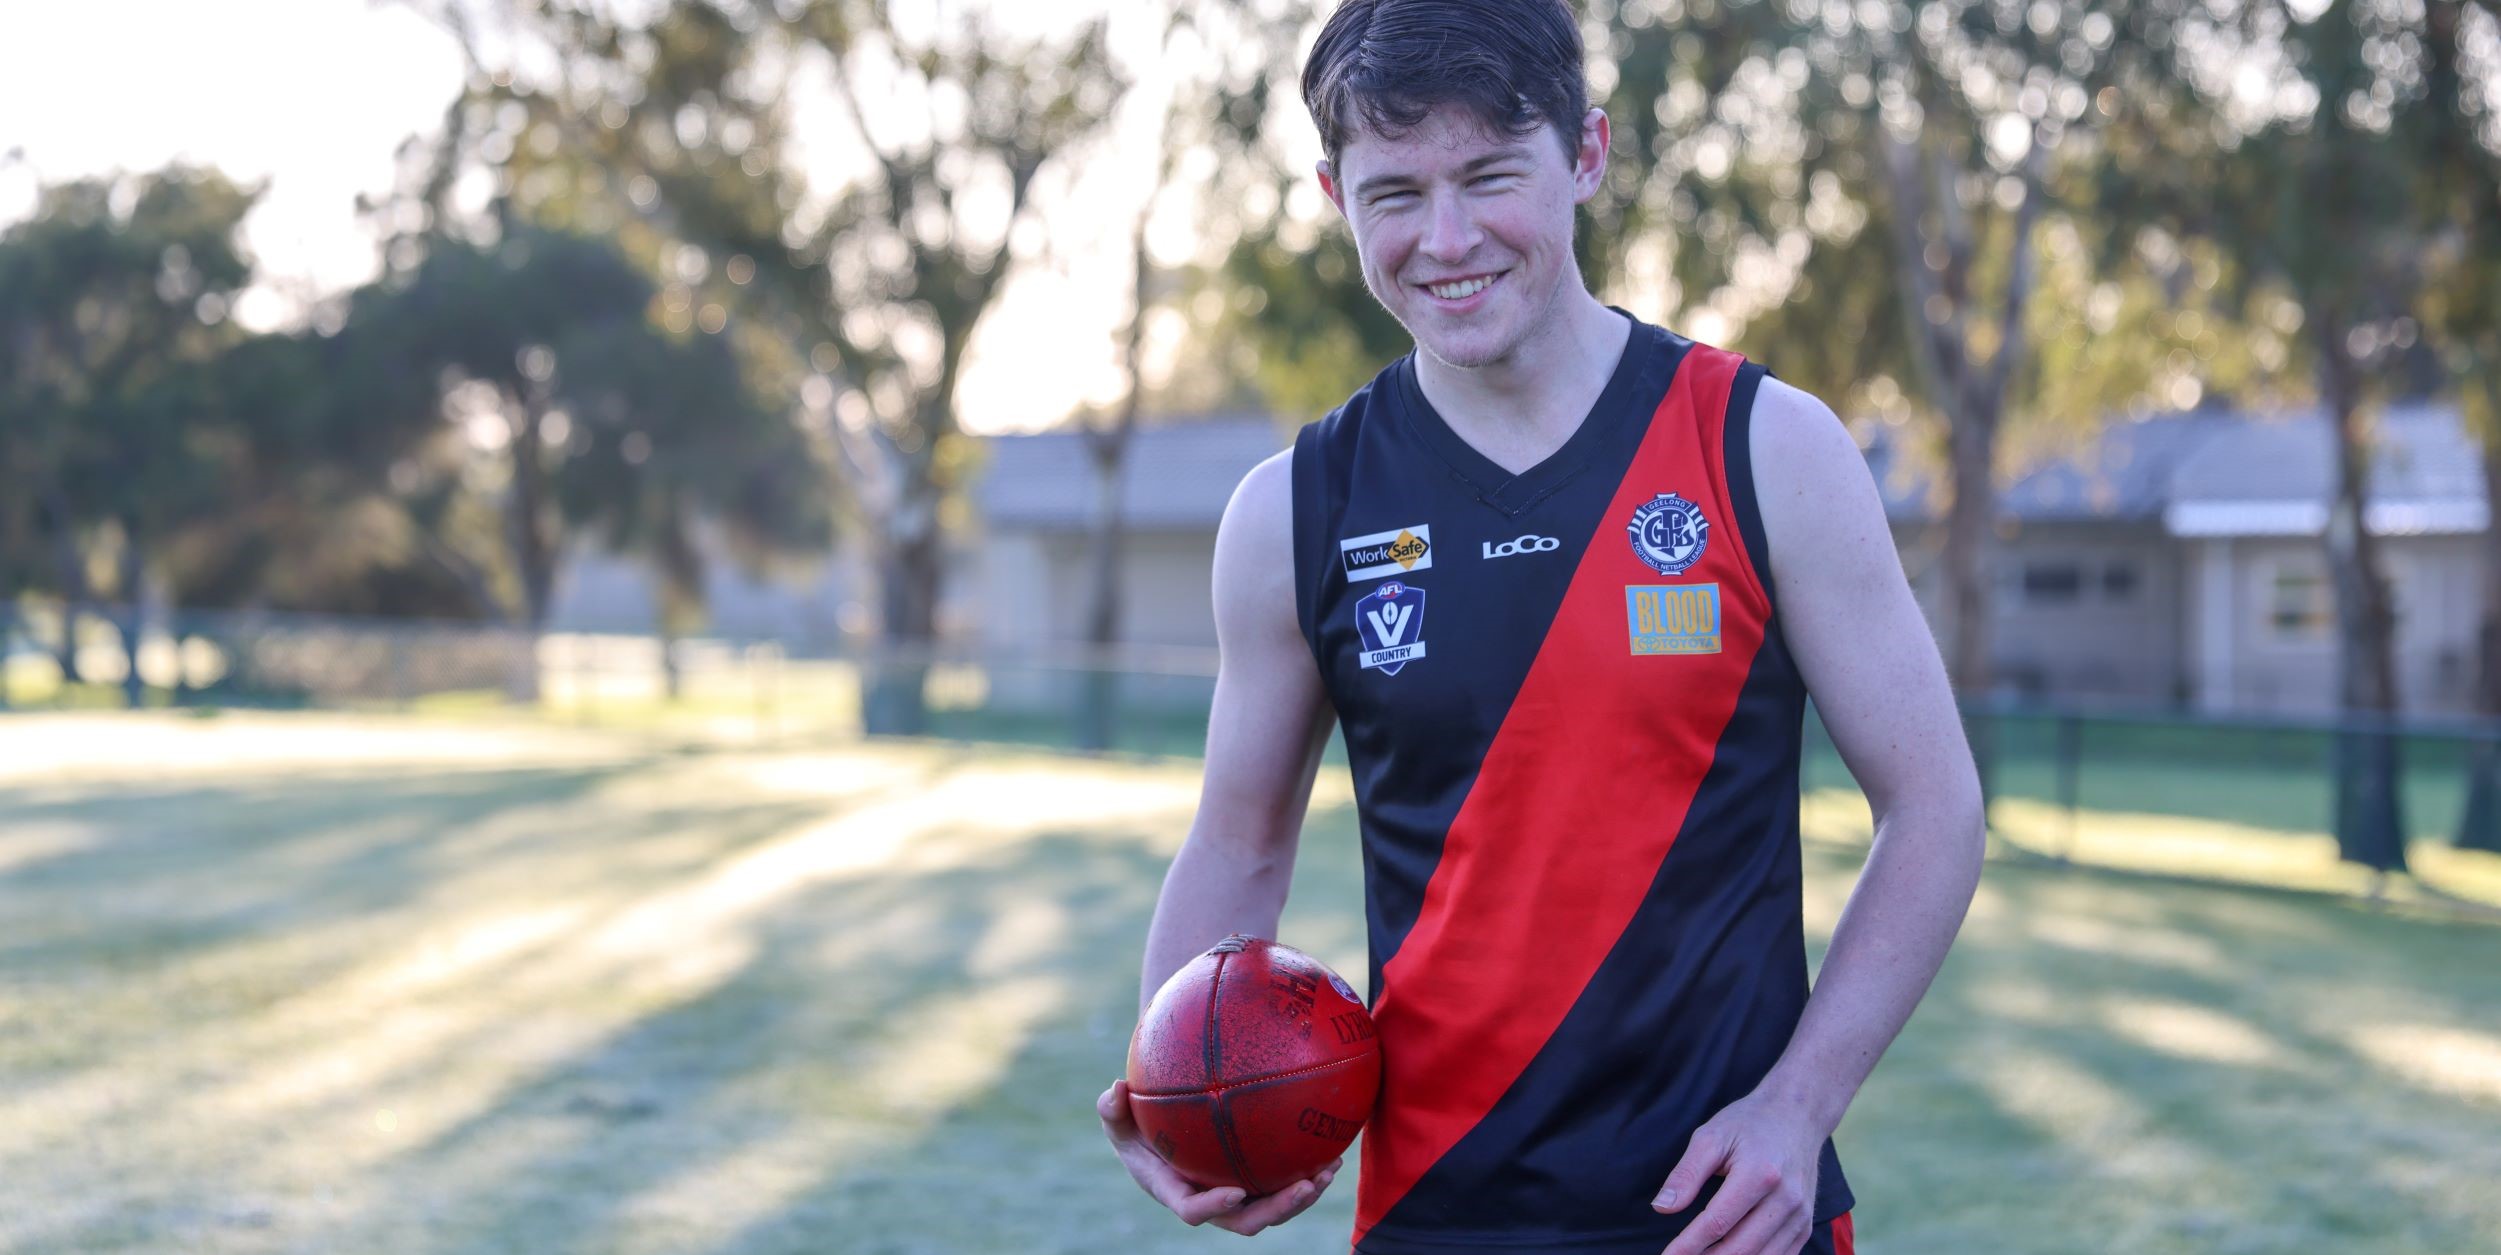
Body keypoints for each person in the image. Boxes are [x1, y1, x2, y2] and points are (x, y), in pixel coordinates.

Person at [1096, 1, 1984, 1251]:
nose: (1444, 238)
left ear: (1585, 155)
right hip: (1434, 1213)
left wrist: (1797, 1107)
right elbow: (1238, 845)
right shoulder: (1291, 511)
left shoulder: (1762, 447)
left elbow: (1934, 806)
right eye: (1393, 191)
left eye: (1488, 177)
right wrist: (1170, 1077)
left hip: (1727, 1216)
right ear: (1330, 191)